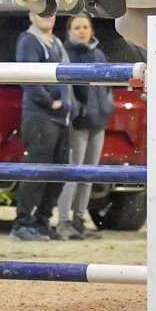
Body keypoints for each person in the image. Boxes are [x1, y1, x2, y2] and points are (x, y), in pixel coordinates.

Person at [11, 11, 76, 241]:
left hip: (61, 118)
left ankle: (42, 221)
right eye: (41, 12)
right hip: (41, 117)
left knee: (58, 172)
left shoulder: (56, 42)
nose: (47, 16)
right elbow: (27, 78)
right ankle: (23, 223)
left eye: (51, 12)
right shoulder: (29, 41)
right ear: (30, 15)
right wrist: (51, 102)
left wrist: (70, 106)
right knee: (36, 171)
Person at [56, 14, 114, 240]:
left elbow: (107, 84)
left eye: (85, 27)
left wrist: (107, 105)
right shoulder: (67, 54)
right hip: (79, 122)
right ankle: (63, 221)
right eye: (77, 27)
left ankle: (79, 220)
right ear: (70, 31)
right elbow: (67, 87)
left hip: (99, 120)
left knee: (89, 173)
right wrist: (77, 109)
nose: (82, 31)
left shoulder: (98, 53)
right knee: (73, 172)